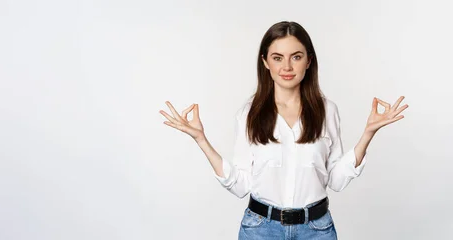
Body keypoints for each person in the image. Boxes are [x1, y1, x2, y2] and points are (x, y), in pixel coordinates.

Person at [159, 21, 408, 240]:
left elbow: (335, 180)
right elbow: (240, 185)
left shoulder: (327, 110)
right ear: (265, 62)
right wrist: (201, 139)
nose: (287, 66)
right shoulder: (249, 113)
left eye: (296, 57)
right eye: (278, 57)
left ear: (308, 61)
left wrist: (368, 134)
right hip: (260, 230)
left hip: (316, 230)